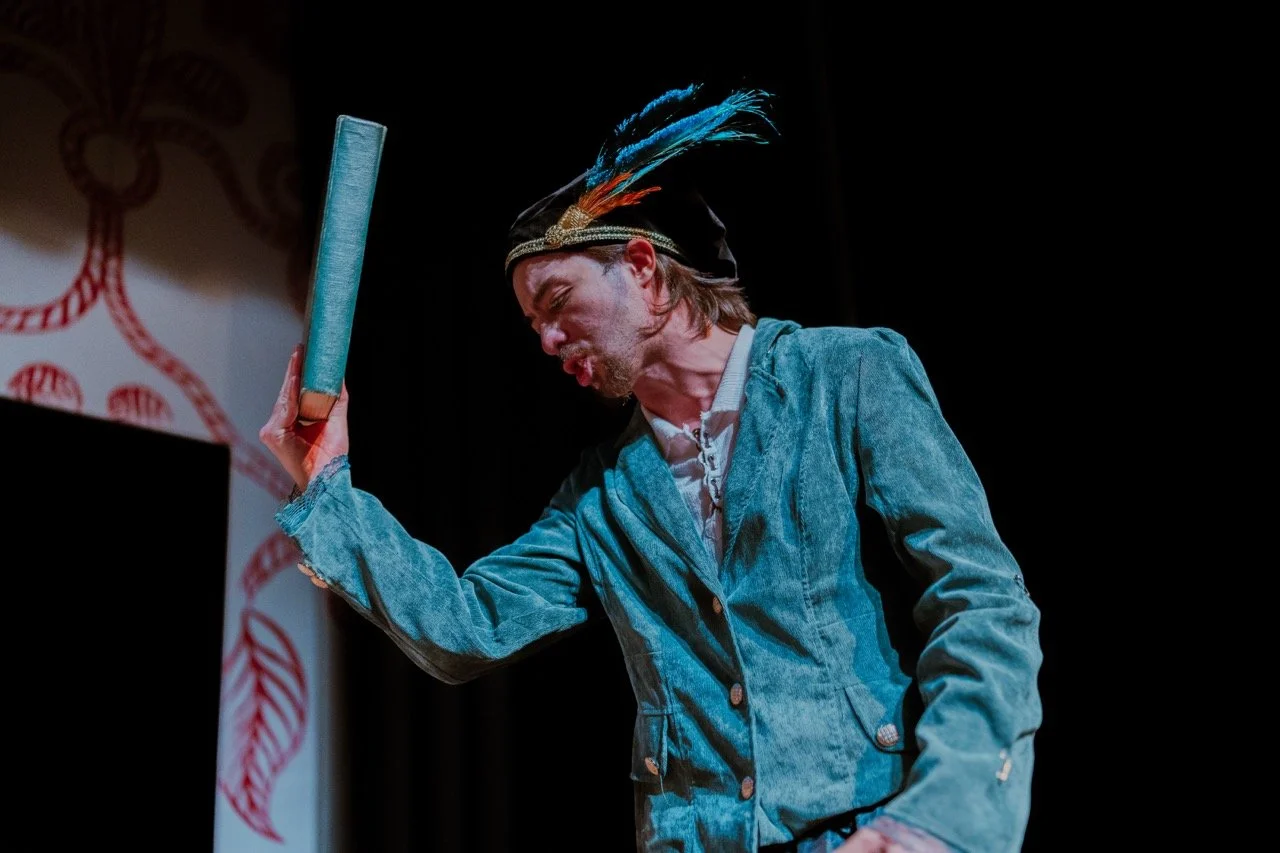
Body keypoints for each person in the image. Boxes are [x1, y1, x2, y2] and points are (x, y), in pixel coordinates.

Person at [260, 83, 1043, 853]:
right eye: (533, 324)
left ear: (641, 265)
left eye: (557, 302)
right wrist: (325, 488)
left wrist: (938, 815)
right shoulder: (601, 496)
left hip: (868, 826)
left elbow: (980, 599)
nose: (546, 341)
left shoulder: (843, 376)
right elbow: (466, 625)